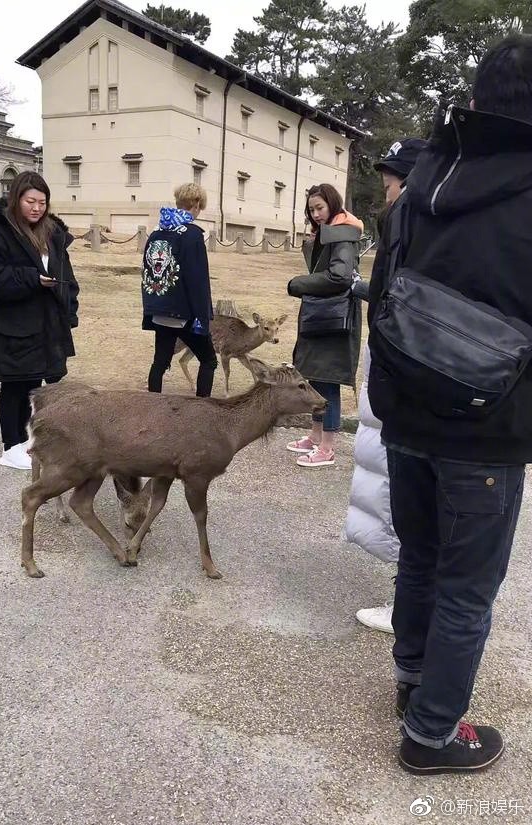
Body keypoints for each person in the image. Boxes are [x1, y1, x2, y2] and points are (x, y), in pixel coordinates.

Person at [367, 35, 532, 774]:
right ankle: (432, 734)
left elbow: (383, 281)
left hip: (407, 409)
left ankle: (410, 681)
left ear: (476, 94)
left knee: (421, 561)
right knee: (467, 587)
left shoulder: (428, 168)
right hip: (488, 427)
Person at [346, 139, 427, 634]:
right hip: (399, 383)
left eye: (394, 181)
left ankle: (407, 606)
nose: (386, 189)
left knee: (405, 499)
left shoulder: (413, 227)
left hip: (404, 387)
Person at [0, 171, 79, 470]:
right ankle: (11, 445)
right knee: (17, 386)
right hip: (13, 327)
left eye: (42, 202)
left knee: (42, 387)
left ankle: (33, 440)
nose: (37, 208)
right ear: (16, 199)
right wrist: (30, 278)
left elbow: (66, 275)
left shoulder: (53, 233)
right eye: (31, 201)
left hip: (47, 326)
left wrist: (70, 308)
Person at [286, 184, 363, 467]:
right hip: (324, 315)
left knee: (327, 382)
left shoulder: (342, 235)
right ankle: (315, 436)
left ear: (332, 204)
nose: (315, 214)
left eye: (320, 208)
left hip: (335, 319)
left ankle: (327, 447)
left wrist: (297, 285)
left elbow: (339, 277)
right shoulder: (328, 233)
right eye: (311, 209)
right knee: (317, 378)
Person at [142, 183, 217, 396]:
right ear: (196, 204)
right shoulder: (192, 234)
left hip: (160, 309)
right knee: (209, 360)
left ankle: (150, 406)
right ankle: (202, 408)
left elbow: (148, 272)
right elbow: (198, 280)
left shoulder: (157, 232)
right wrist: (202, 316)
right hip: (184, 312)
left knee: (160, 362)